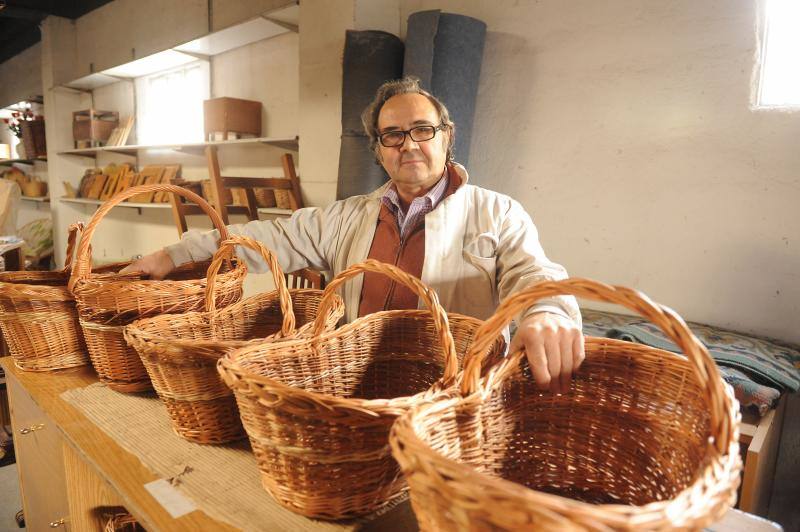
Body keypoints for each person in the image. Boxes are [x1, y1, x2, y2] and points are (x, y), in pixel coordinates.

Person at [123, 77, 584, 393]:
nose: (409, 144)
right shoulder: (348, 217)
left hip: (450, 393)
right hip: (356, 382)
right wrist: (173, 255)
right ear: (379, 149)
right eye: (393, 135)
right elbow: (266, 237)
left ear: (447, 136)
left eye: (423, 130)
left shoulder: (497, 212)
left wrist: (546, 312)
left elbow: (534, 274)